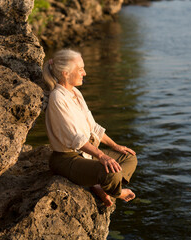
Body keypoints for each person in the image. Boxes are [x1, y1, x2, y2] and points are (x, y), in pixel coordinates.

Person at [43, 49, 137, 207]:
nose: (84, 73)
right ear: (65, 73)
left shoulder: (76, 94)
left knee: (129, 157)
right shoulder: (57, 98)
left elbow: (93, 127)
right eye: (80, 69)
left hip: (87, 154)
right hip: (67, 159)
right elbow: (75, 139)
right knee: (112, 173)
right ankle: (116, 192)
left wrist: (115, 146)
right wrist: (102, 156)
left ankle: (98, 185)